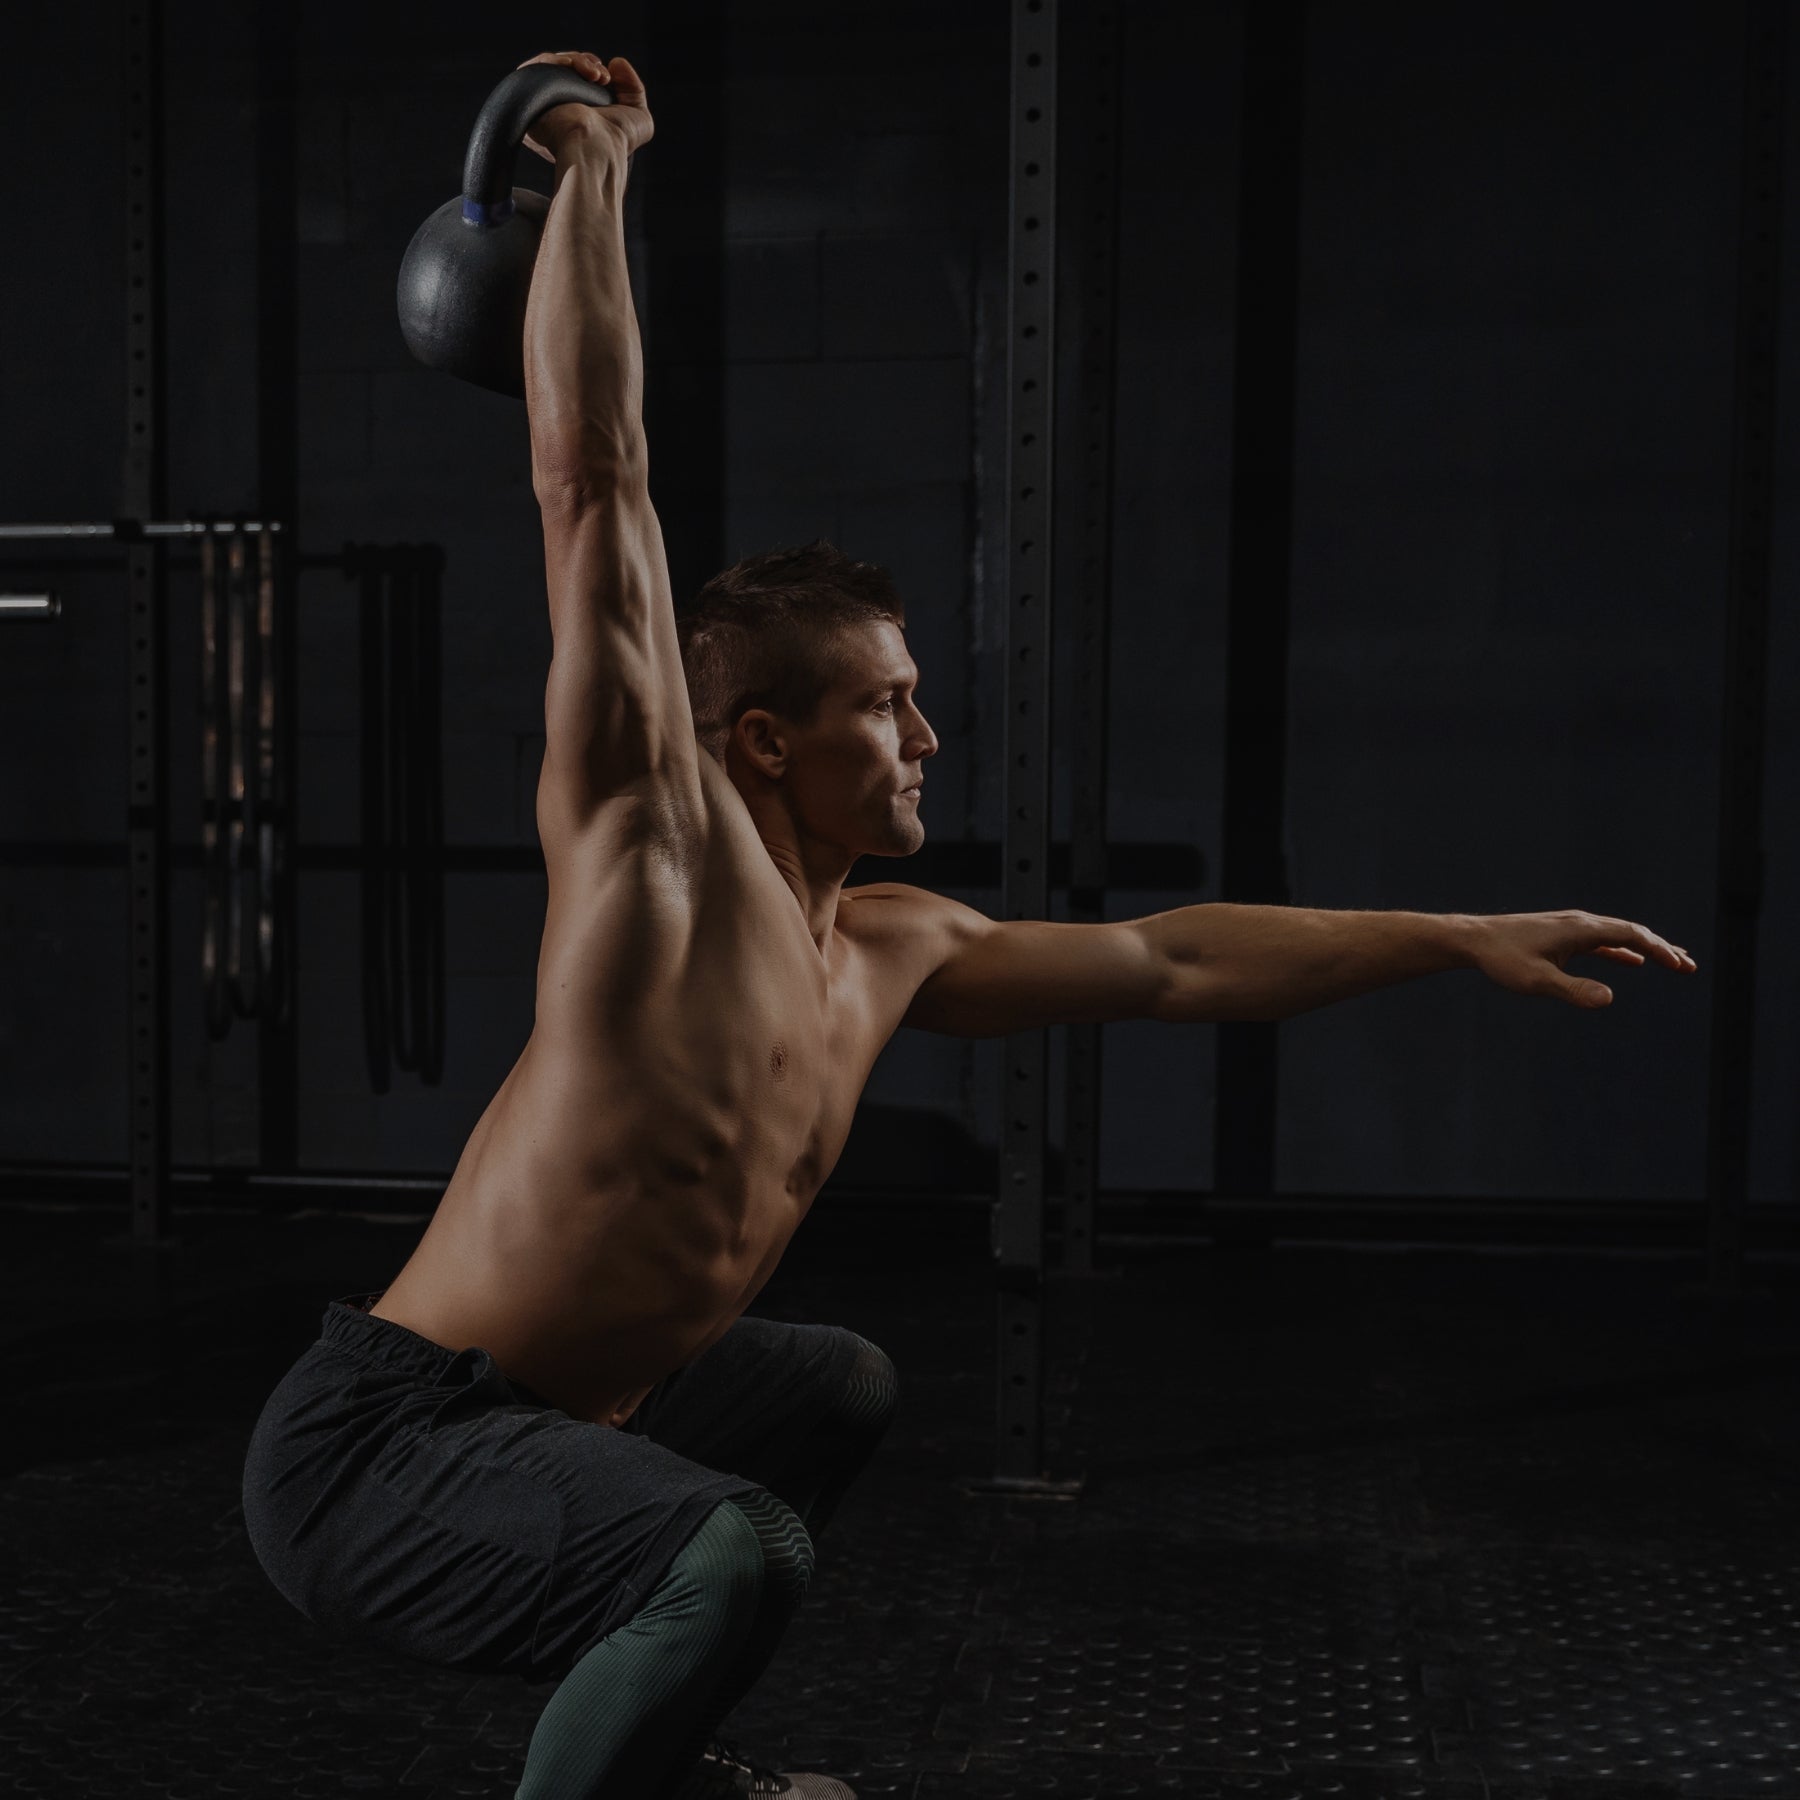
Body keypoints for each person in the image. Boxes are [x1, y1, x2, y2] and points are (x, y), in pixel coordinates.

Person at [241, 48, 1698, 1800]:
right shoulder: (652, 862)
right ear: (761, 741)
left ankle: (658, 1750)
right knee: (739, 1548)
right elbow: (591, 482)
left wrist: (1459, 932)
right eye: (883, 707)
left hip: (556, 1420)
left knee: (833, 1386)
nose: (928, 736)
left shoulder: (891, 947)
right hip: (387, 1448)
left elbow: (1173, 960)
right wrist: (597, 167)